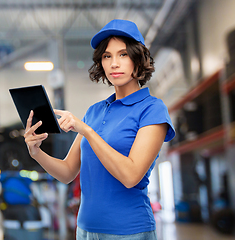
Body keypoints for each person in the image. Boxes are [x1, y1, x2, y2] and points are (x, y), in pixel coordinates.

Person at [23, 19, 175, 239]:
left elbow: (131, 175)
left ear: (138, 59)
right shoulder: (94, 112)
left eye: (123, 54)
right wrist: (37, 152)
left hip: (127, 231)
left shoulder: (152, 109)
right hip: (85, 230)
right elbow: (67, 172)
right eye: (107, 56)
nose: (114, 63)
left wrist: (87, 131)